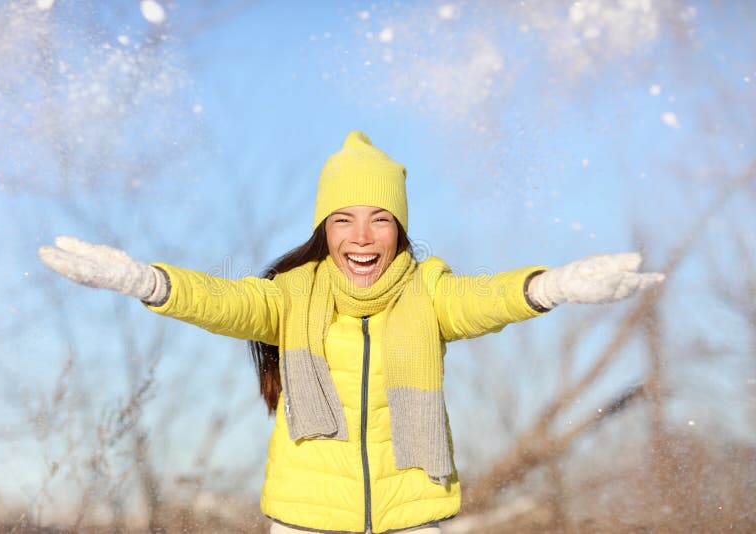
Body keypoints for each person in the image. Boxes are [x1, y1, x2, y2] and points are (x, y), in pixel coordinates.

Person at [38, 130, 664, 533]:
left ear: (400, 230)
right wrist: (143, 280)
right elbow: (222, 300)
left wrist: (553, 286)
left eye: (379, 219)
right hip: (304, 519)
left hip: (413, 517)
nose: (361, 238)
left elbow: (486, 299)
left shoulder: (429, 294)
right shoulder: (290, 299)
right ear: (324, 231)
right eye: (343, 219)